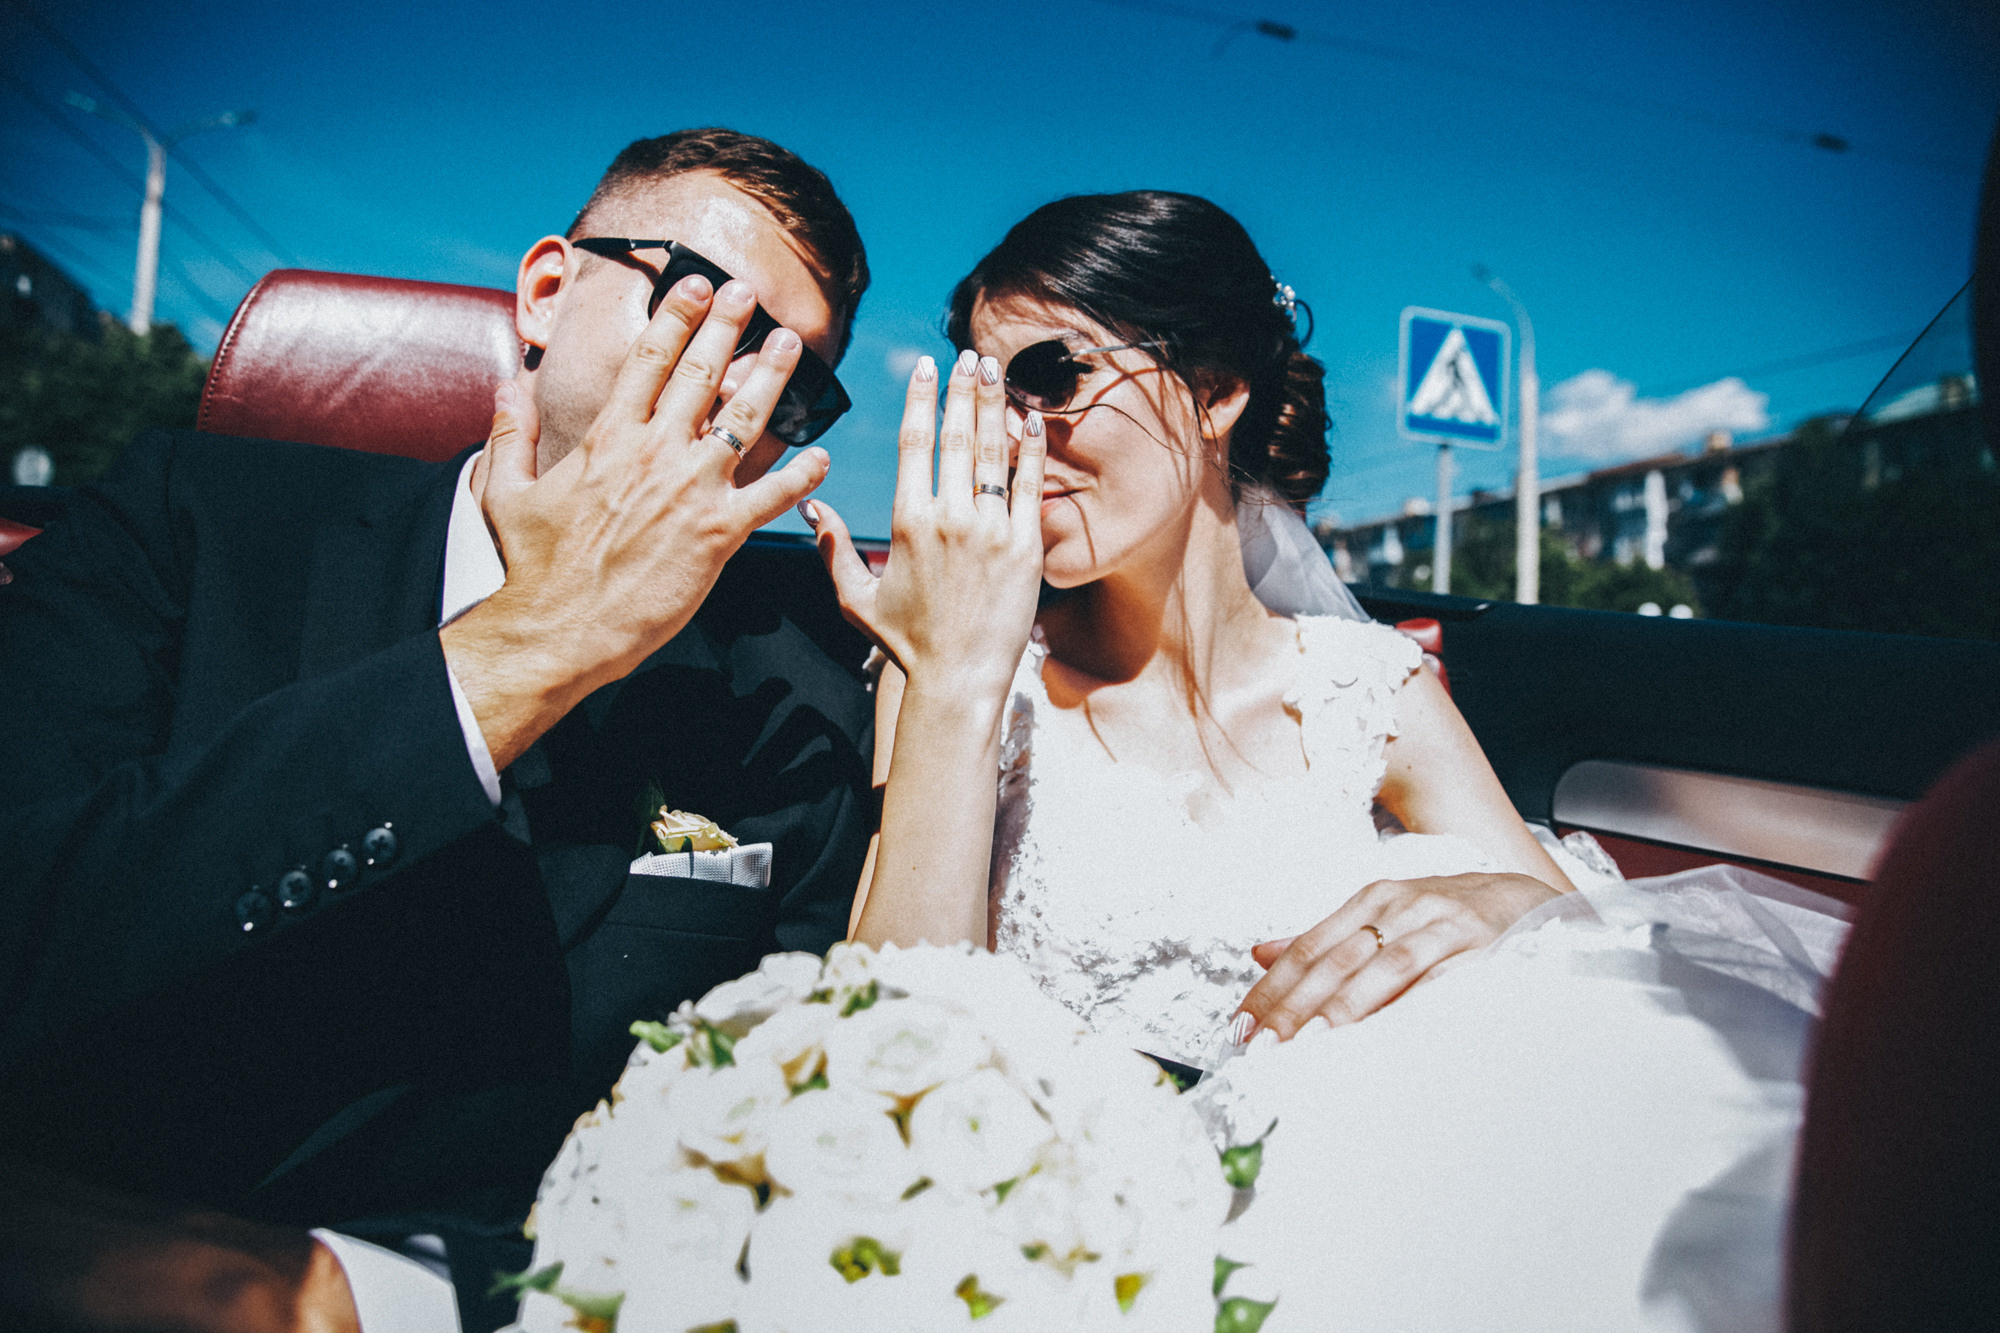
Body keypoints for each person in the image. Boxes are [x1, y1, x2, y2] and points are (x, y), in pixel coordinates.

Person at [808, 190, 1848, 1329]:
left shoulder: (1367, 690)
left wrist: (1502, 898)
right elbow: (878, 1037)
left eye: (1052, 375)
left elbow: (1587, 964)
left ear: (1213, 391)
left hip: (1409, 1208)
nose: (1014, 432)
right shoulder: (953, 662)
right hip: (1096, 1239)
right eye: (984, 394)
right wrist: (954, 672)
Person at [0, 128, 876, 1326]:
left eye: (794, 373)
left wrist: (360, 1295)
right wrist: (540, 639)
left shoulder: (795, 703)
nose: (735, 379)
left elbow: (772, 1153)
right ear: (547, 292)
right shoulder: (190, 524)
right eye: (697, 302)